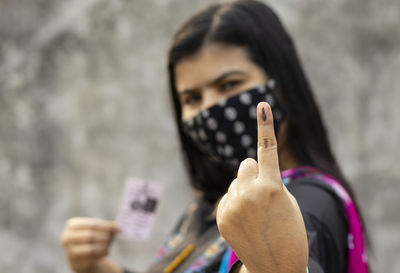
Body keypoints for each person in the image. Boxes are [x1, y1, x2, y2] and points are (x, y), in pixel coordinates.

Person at [61, 1, 370, 273]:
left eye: (230, 84)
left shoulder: (308, 201)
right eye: (192, 98)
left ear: (281, 85)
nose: (210, 107)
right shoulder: (208, 207)